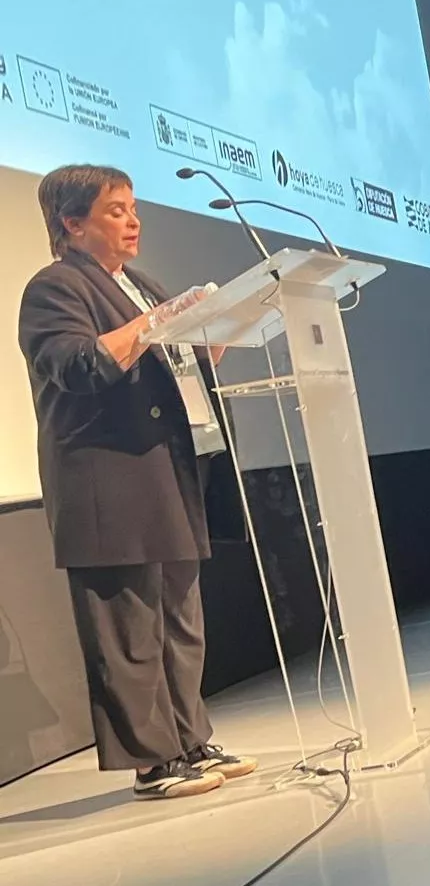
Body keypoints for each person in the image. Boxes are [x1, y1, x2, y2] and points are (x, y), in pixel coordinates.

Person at [17, 164, 255, 799]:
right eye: (116, 210)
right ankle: (153, 761)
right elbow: (77, 366)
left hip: (167, 468)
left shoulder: (141, 284)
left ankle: (190, 740)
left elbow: (171, 364)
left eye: (133, 207)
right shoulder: (54, 288)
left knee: (180, 616)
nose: (134, 220)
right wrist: (156, 323)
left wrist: (212, 337)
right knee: (128, 626)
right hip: (107, 477)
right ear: (73, 224)